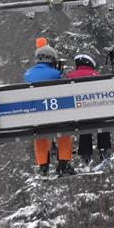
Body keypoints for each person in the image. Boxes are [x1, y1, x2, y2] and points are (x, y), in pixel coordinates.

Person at [25, 41, 76, 176]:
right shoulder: (55, 74)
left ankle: (43, 166)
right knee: (64, 131)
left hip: (36, 116)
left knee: (39, 135)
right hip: (55, 115)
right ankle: (63, 164)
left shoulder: (28, 74)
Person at [65, 53, 112, 166]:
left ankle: (85, 154)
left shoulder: (69, 76)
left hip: (77, 114)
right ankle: (104, 149)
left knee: (84, 126)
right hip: (96, 113)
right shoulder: (96, 75)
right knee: (102, 121)